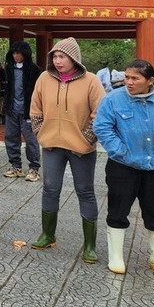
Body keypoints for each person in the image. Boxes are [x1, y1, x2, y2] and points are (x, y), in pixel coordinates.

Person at [93, 59, 154, 278]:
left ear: (150, 80)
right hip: (123, 166)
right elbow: (102, 127)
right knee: (118, 210)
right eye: (126, 77)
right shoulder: (113, 100)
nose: (129, 82)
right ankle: (116, 257)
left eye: (134, 78)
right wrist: (120, 151)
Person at [29, 37, 105, 262]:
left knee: (85, 191)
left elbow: (99, 113)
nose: (57, 60)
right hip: (52, 144)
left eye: (62, 56)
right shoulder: (44, 78)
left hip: (80, 147)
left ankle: (90, 245)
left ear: (74, 59)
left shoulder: (91, 81)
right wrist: (41, 133)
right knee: (50, 189)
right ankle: (48, 234)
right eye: (55, 56)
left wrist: (87, 138)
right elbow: (35, 109)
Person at [2, 41, 42, 182]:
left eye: (18, 53)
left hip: (28, 111)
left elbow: (39, 93)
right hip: (11, 110)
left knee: (31, 140)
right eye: (13, 53)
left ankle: (34, 168)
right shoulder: (8, 69)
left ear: (25, 53)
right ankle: (15, 166)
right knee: (11, 138)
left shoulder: (35, 70)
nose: (16, 56)